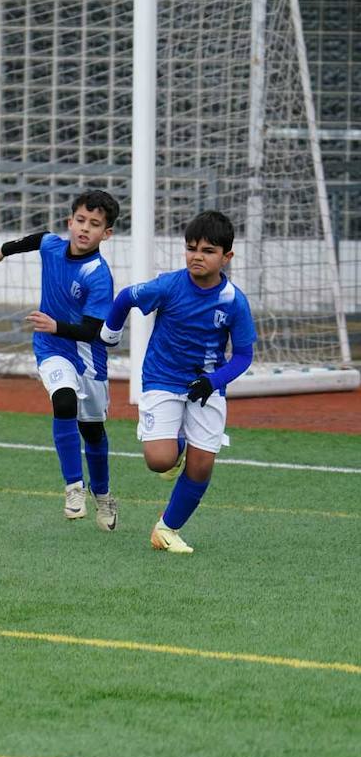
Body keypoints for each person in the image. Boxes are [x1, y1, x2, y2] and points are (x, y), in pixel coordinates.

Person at [100, 210, 256, 554]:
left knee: (202, 467)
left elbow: (244, 356)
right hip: (162, 378)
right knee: (159, 460)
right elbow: (126, 297)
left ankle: (167, 529)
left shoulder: (234, 302)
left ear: (226, 257)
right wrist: (110, 334)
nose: (197, 256)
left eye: (208, 250)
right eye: (191, 248)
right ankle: (177, 447)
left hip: (206, 387)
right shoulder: (169, 285)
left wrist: (213, 382)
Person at [0, 191, 121, 530]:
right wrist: (0, 251)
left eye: (95, 224)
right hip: (50, 348)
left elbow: (91, 330)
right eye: (80, 221)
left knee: (92, 432)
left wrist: (55, 324)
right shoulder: (53, 246)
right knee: (63, 402)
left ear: (107, 233)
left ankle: (102, 494)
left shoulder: (98, 275)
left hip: (88, 360)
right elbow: (34, 240)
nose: (85, 229)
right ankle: (74, 486)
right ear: (69, 222)